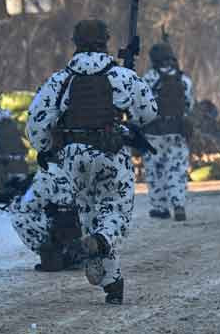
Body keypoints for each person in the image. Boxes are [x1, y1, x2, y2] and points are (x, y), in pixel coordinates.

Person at [26, 19, 157, 305]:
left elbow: (35, 123)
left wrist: (46, 148)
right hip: (112, 154)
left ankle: (112, 283)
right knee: (116, 214)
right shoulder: (121, 76)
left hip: (73, 156)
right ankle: (100, 247)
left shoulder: (60, 80)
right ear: (106, 41)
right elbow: (148, 112)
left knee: (90, 215)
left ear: (76, 42)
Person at [141, 42, 194, 221]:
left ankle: (160, 208)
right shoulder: (184, 80)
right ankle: (178, 204)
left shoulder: (148, 78)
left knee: (154, 171)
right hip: (177, 133)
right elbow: (189, 105)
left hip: (153, 133)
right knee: (177, 170)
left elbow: (142, 107)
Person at [9, 163, 84, 272]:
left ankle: (55, 254)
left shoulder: (47, 173)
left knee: (19, 216)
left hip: (63, 223)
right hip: (84, 220)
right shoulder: (74, 163)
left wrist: (14, 198)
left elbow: (27, 204)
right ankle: (76, 251)